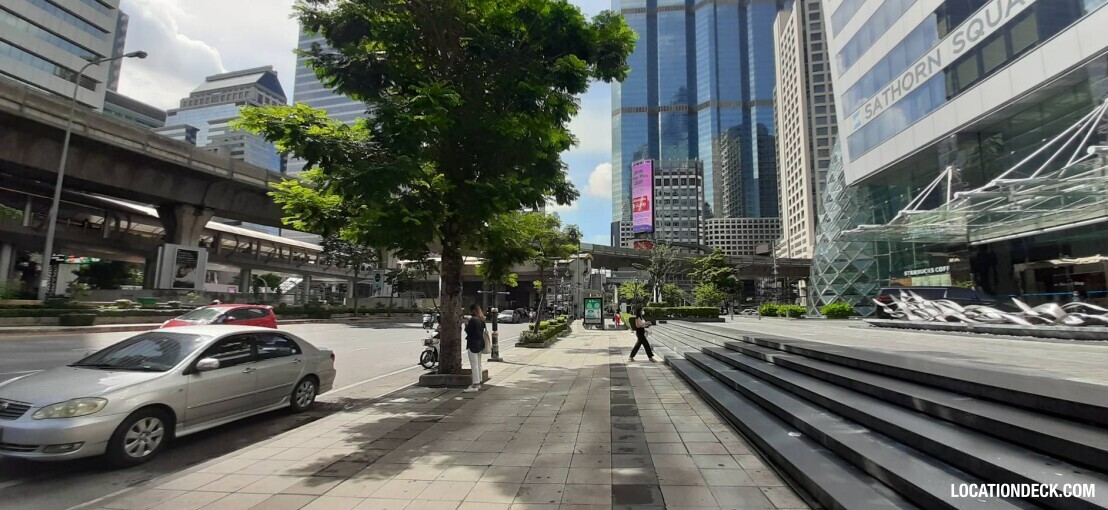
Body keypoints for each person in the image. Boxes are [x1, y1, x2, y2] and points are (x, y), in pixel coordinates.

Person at [463, 303, 487, 393]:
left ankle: (475, 384)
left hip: (473, 344)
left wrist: (466, 324)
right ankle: (479, 382)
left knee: (474, 364)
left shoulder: (473, 320)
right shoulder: (482, 319)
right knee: (479, 363)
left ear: (473, 310)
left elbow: (468, 331)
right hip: (480, 343)